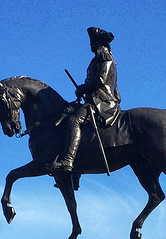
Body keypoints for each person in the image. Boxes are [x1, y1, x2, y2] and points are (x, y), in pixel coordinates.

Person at [52, 27, 121, 173]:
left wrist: (83, 89)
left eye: (92, 41)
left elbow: (101, 80)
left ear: (99, 42)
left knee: (74, 121)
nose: (90, 45)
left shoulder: (104, 57)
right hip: (96, 100)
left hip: (101, 102)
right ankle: (77, 173)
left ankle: (68, 161)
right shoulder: (99, 59)